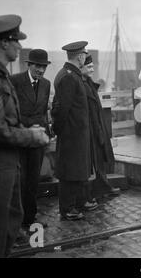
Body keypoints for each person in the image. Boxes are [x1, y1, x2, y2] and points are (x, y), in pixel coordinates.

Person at [0, 14, 49, 257]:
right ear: (4, 43)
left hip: (6, 166)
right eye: (16, 40)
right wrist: (31, 136)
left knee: (7, 228)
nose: (20, 46)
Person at [51, 41, 97, 221]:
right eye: (84, 54)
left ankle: (76, 203)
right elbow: (62, 110)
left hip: (76, 134)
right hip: (72, 135)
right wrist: (60, 130)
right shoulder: (70, 77)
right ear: (80, 56)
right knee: (70, 172)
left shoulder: (69, 74)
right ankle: (67, 208)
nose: (85, 56)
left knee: (77, 170)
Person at [10, 49, 51, 230]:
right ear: (29, 65)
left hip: (37, 141)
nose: (40, 70)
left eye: (43, 67)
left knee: (34, 180)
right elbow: (11, 111)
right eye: (37, 66)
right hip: (21, 138)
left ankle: (30, 218)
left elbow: (43, 112)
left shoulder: (46, 84)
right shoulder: (15, 81)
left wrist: (46, 134)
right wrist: (26, 129)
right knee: (20, 180)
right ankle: (16, 222)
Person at [81, 54, 120, 199]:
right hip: (89, 128)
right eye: (89, 66)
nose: (92, 69)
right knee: (93, 161)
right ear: (81, 67)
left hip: (97, 126)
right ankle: (94, 191)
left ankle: (103, 186)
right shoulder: (83, 85)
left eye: (92, 66)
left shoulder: (89, 83)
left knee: (100, 158)